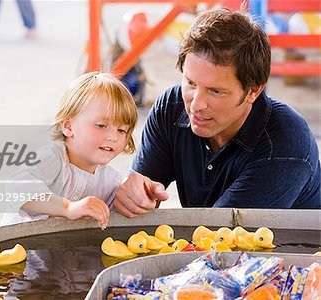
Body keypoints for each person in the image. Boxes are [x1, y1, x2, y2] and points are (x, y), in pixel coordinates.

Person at [114, 8, 321, 217]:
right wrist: (131, 198)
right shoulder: (172, 107)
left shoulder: (285, 143)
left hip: (288, 248)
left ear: (253, 91)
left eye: (215, 91)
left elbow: (219, 235)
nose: (196, 105)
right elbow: (140, 191)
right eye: (191, 83)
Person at [1, 72, 138, 228]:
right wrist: (68, 208)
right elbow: (17, 187)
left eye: (122, 130)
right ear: (68, 126)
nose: (113, 137)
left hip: (69, 251)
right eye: (101, 125)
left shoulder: (111, 181)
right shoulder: (54, 158)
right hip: (22, 250)